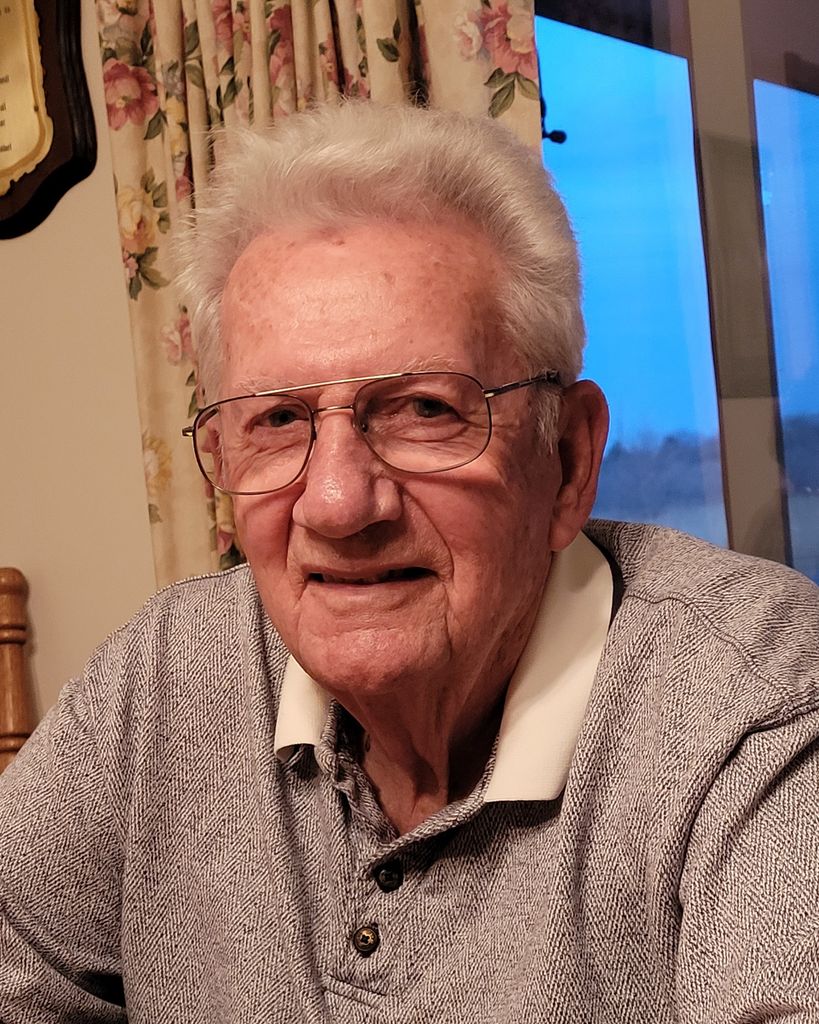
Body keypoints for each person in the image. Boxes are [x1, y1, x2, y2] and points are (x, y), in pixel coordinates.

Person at [1, 102, 817, 1023]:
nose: (338, 504)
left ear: (565, 461)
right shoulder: (162, 680)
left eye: (425, 409)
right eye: (278, 420)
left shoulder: (757, 707)